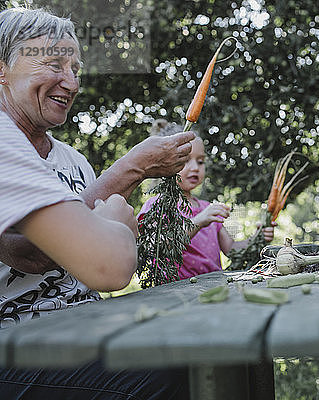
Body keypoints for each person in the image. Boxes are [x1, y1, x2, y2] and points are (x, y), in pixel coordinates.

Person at [0, 7, 190, 399]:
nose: (70, 82)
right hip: (16, 344)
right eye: (53, 63)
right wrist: (129, 172)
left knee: (203, 343)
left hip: (86, 325)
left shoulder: (76, 163)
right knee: (163, 374)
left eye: (75, 67)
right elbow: (31, 255)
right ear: (3, 69)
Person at [138, 120, 275, 278]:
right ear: (163, 163)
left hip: (213, 288)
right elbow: (156, 247)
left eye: (200, 161)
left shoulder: (206, 208)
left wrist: (256, 239)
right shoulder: (156, 205)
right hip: (174, 293)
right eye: (185, 160)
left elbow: (231, 249)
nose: (195, 167)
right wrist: (198, 221)